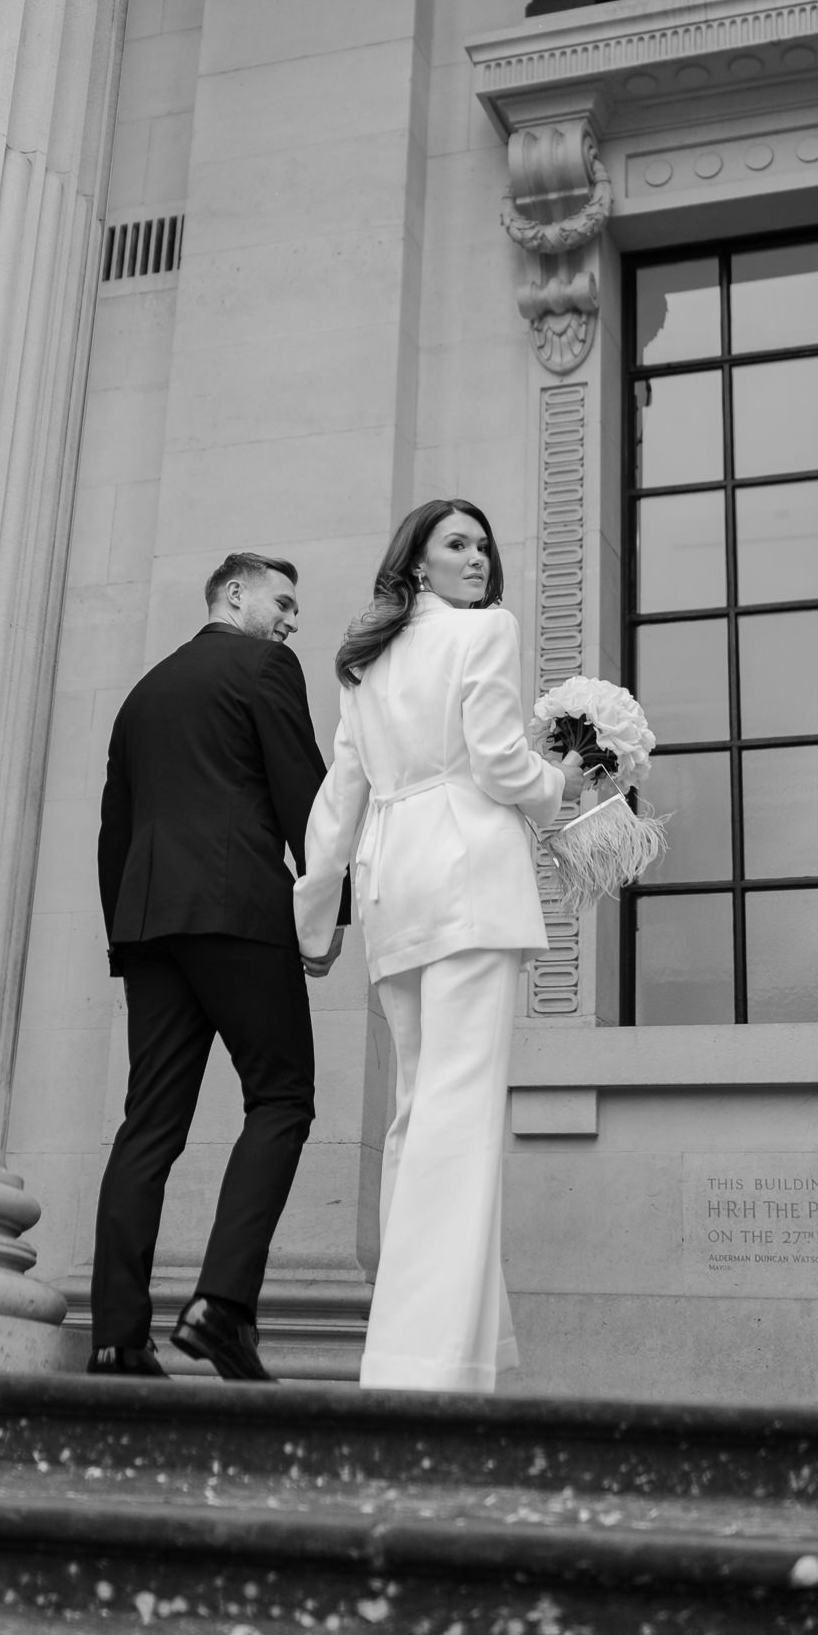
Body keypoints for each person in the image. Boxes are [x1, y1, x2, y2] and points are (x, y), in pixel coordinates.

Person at [295, 500, 583, 1394]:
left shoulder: (363, 662)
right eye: (456, 544)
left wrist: (313, 917)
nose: (477, 557)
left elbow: (339, 797)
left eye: (483, 546)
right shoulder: (485, 631)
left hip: (393, 888)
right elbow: (500, 762)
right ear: (416, 564)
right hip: (466, 879)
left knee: (419, 1115)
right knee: (456, 1118)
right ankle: (429, 1364)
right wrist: (559, 785)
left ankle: (445, 1349)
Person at [91, 551, 346, 1381]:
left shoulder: (142, 695)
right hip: (238, 914)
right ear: (233, 594)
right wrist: (328, 917)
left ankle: (117, 1338)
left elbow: (113, 833)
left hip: (151, 926)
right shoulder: (266, 666)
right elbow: (304, 796)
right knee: (282, 1098)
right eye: (284, 601)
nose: (293, 619)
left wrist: (124, 942)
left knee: (148, 1127)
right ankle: (221, 1308)